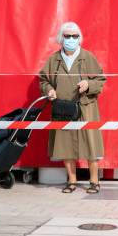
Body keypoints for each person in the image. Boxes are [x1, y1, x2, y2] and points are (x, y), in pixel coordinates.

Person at [39, 22, 106, 194]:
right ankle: (72, 181)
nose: (71, 39)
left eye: (74, 36)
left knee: (91, 145)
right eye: (67, 36)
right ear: (61, 38)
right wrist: (50, 90)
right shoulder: (54, 59)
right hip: (63, 109)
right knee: (65, 145)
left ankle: (94, 181)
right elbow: (43, 80)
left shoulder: (87, 57)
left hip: (86, 107)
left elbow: (101, 80)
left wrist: (88, 84)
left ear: (79, 38)